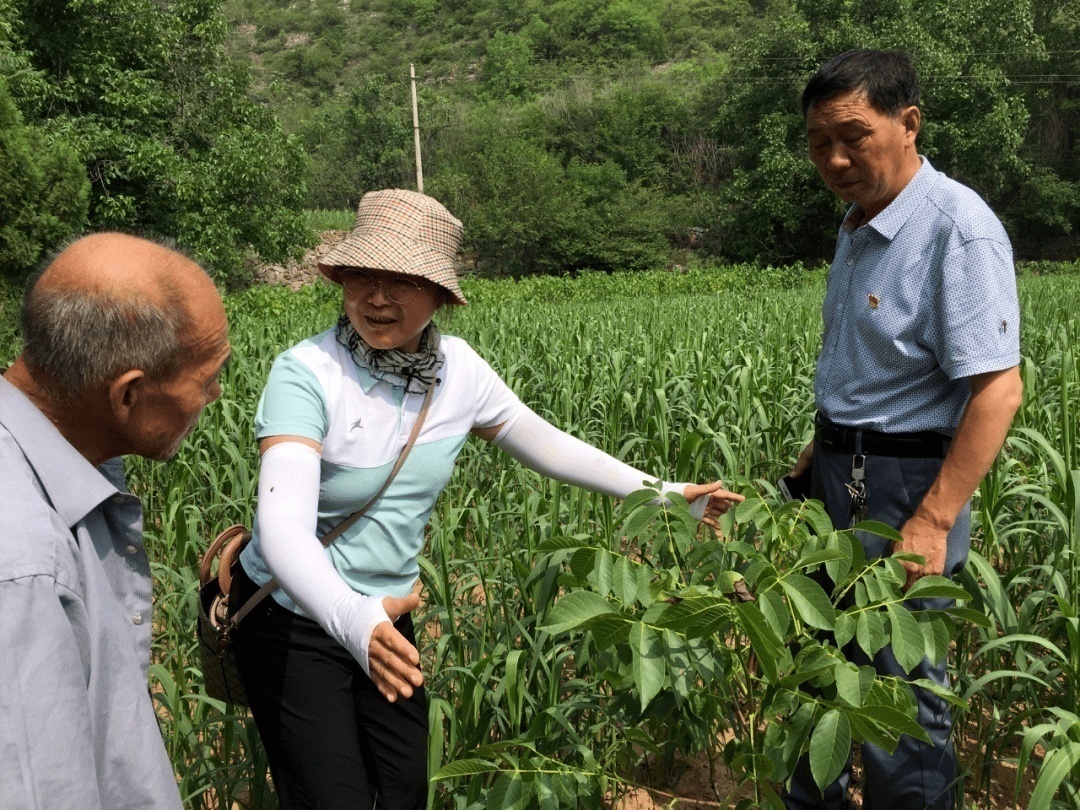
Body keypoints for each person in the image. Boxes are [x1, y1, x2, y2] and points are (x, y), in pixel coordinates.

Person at [230, 188, 744, 809]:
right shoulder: (306, 374)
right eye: (361, 274)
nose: (376, 296)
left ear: (441, 293)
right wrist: (352, 619)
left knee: (405, 789)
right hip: (294, 619)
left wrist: (667, 495)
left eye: (401, 280)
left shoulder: (459, 372)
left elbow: (548, 445)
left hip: (387, 617)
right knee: (329, 799)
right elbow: (282, 532)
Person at [783, 50, 1023, 809]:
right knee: (814, 665)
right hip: (838, 471)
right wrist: (818, 449)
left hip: (910, 486)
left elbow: (997, 390)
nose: (836, 158)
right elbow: (872, 367)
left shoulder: (958, 231)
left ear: (909, 122)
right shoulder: (858, 221)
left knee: (899, 695)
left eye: (853, 136)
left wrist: (933, 518)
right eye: (820, 142)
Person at [0, 233, 231, 809]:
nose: (215, 394)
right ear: (128, 395)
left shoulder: (54, 463)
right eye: (205, 377)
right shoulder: (23, 565)